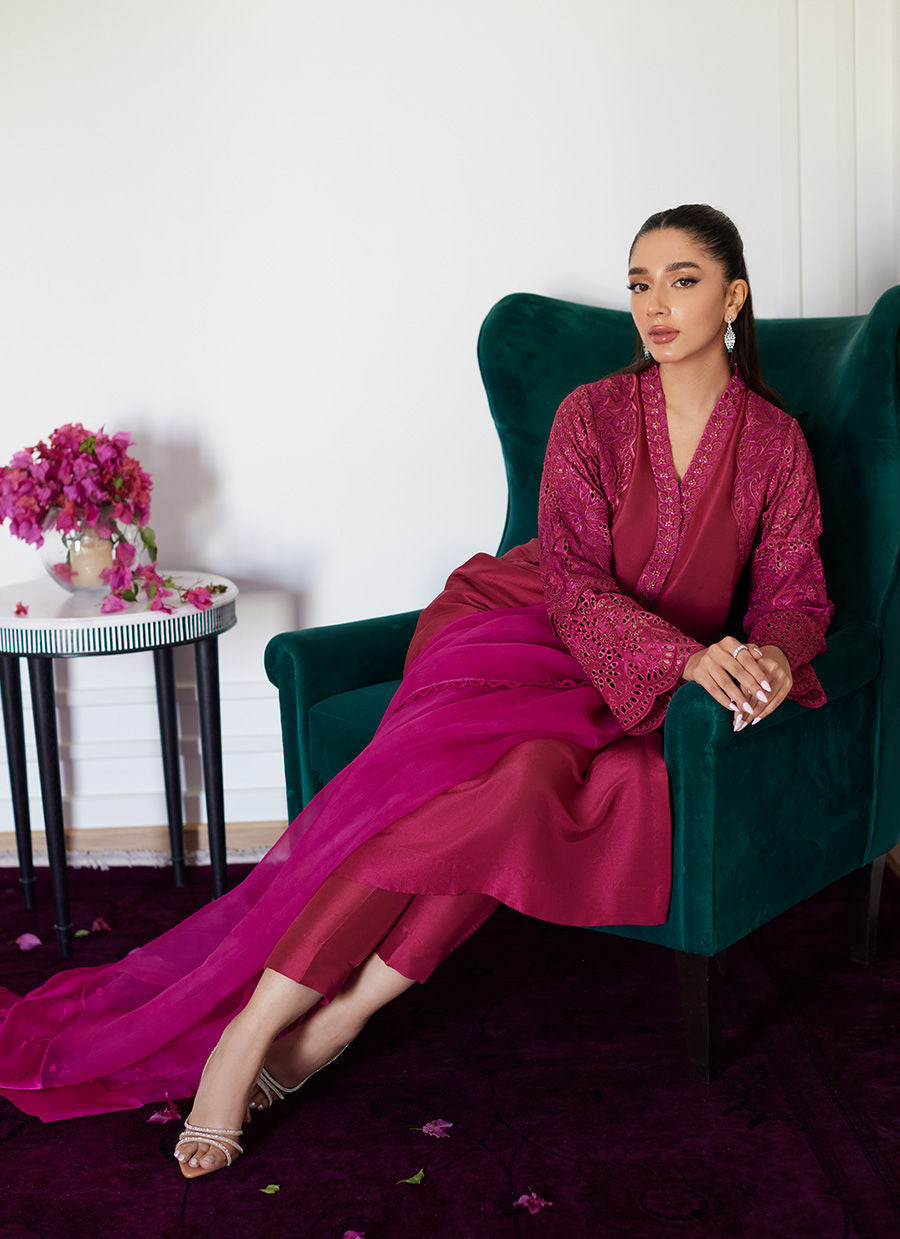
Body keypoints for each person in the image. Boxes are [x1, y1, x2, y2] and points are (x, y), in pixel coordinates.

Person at [0, 205, 832, 1180]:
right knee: (455, 788)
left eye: (682, 280)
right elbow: (571, 582)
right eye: (640, 282)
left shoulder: (776, 442)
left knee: (522, 790)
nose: (655, 303)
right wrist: (683, 659)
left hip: (651, 683)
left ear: (733, 296)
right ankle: (249, 1032)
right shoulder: (593, 413)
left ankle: (338, 1020)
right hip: (528, 632)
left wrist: (772, 659)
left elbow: (795, 598)